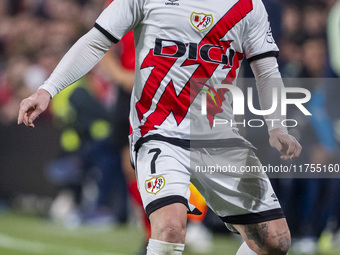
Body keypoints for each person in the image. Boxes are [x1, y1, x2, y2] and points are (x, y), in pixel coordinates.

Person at [18, 0, 302, 254]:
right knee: (170, 229)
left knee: (275, 241)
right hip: (159, 131)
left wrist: (276, 125)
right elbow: (96, 41)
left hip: (219, 136)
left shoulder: (249, 6)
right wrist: (47, 90)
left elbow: (266, 69)